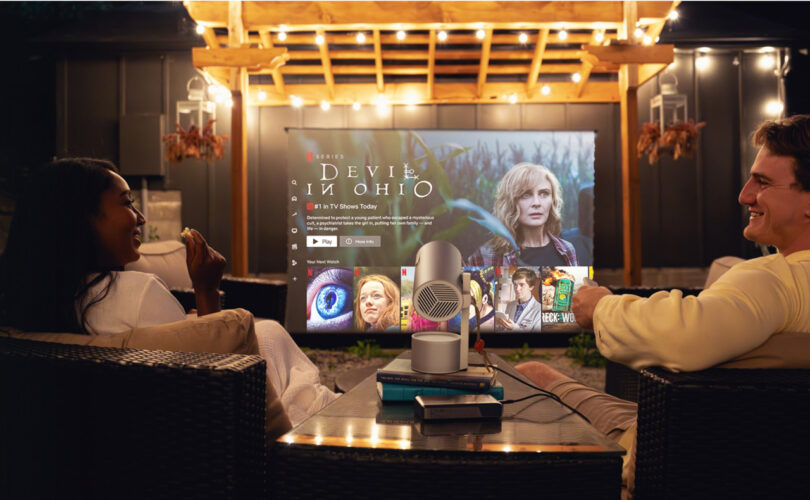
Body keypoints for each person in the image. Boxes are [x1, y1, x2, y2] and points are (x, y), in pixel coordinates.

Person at [515, 114, 810, 492]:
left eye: (763, 182)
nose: (745, 194)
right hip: (748, 452)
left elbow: (688, 334)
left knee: (530, 374)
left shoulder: (772, 280)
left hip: (665, 451)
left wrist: (600, 305)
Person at [0, 158, 337, 428]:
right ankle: (325, 418)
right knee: (274, 337)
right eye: (128, 203)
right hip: (216, 441)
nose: (141, 217)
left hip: (107, 443)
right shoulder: (137, 293)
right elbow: (218, 382)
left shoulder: (27, 307)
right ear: (81, 220)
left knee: (267, 334)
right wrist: (206, 289)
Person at [467, 162, 578, 267]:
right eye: (526, 195)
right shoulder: (487, 255)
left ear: (553, 200)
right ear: (511, 202)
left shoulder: (567, 250)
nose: (536, 203)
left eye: (544, 193)